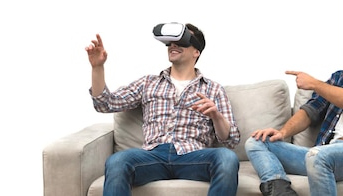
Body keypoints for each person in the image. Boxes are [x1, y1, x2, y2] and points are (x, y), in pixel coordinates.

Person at [85, 23, 240, 196]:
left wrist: (216, 116)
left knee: (227, 158)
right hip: (152, 156)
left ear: (196, 51)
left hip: (193, 155)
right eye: (170, 42)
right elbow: (105, 104)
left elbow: (231, 139)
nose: (173, 45)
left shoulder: (213, 89)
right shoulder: (148, 83)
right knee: (117, 161)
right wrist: (97, 68)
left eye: (181, 41)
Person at [245, 30, 343, 196]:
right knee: (257, 142)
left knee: (318, 156)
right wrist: (282, 133)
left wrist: (314, 83)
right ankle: (280, 191)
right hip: (326, 152)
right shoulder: (339, 79)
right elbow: (311, 110)